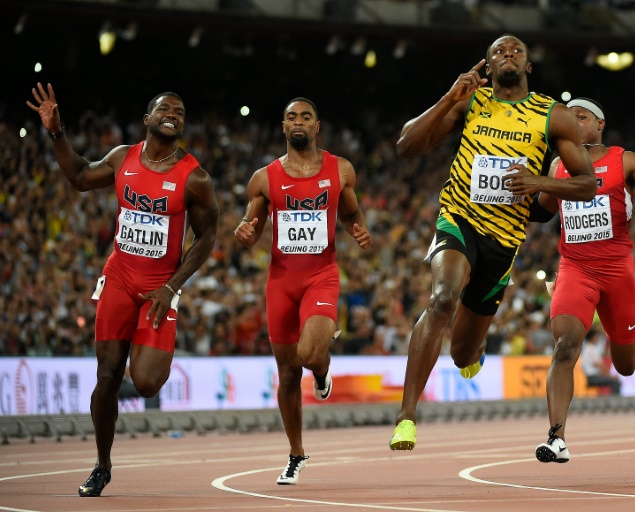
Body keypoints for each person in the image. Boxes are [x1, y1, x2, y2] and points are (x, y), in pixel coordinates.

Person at [389, 34, 597, 451]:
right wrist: (449, 98)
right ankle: (406, 417)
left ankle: (476, 346)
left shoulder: (552, 115)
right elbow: (406, 147)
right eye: (499, 51)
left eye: (516, 50)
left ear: (528, 66)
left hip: (504, 240)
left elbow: (588, 183)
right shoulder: (470, 101)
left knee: (463, 355)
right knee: (443, 297)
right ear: (487, 64)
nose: (508, 55)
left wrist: (538, 181)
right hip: (459, 218)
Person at [26, 83, 220, 495]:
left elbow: (206, 238)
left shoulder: (195, 178)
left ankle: (141, 358)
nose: (173, 113)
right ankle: (102, 465)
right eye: (164, 108)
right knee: (107, 376)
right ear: (147, 119)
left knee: (146, 382)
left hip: (158, 289)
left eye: (180, 111)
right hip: (119, 277)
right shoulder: (122, 158)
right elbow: (78, 176)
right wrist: (57, 133)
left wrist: (172, 286)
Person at [533, 96, 635, 463]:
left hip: (617, 271)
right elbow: (541, 212)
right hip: (575, 268)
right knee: (565, 345)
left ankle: (623, 339)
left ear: (600, 123)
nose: (573, 122)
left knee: (626, 365)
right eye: (568, 118)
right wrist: (519, 191)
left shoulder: (624, 159)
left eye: (581, 117)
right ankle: (557, 438)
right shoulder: (559, 166)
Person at [234, 97, 371, 484]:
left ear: (317, 126)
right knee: (288, 373)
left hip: (320, 276)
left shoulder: (340, 169)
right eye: (291, 117)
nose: (299, 122)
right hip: (281, 282)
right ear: (283, 127)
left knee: (309, 353)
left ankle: (323, 370)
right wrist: (242, 233)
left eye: (306, 117)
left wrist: (357, 228)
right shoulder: (263, 178)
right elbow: (250, 229)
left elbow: (350, 212)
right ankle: (296, 453)